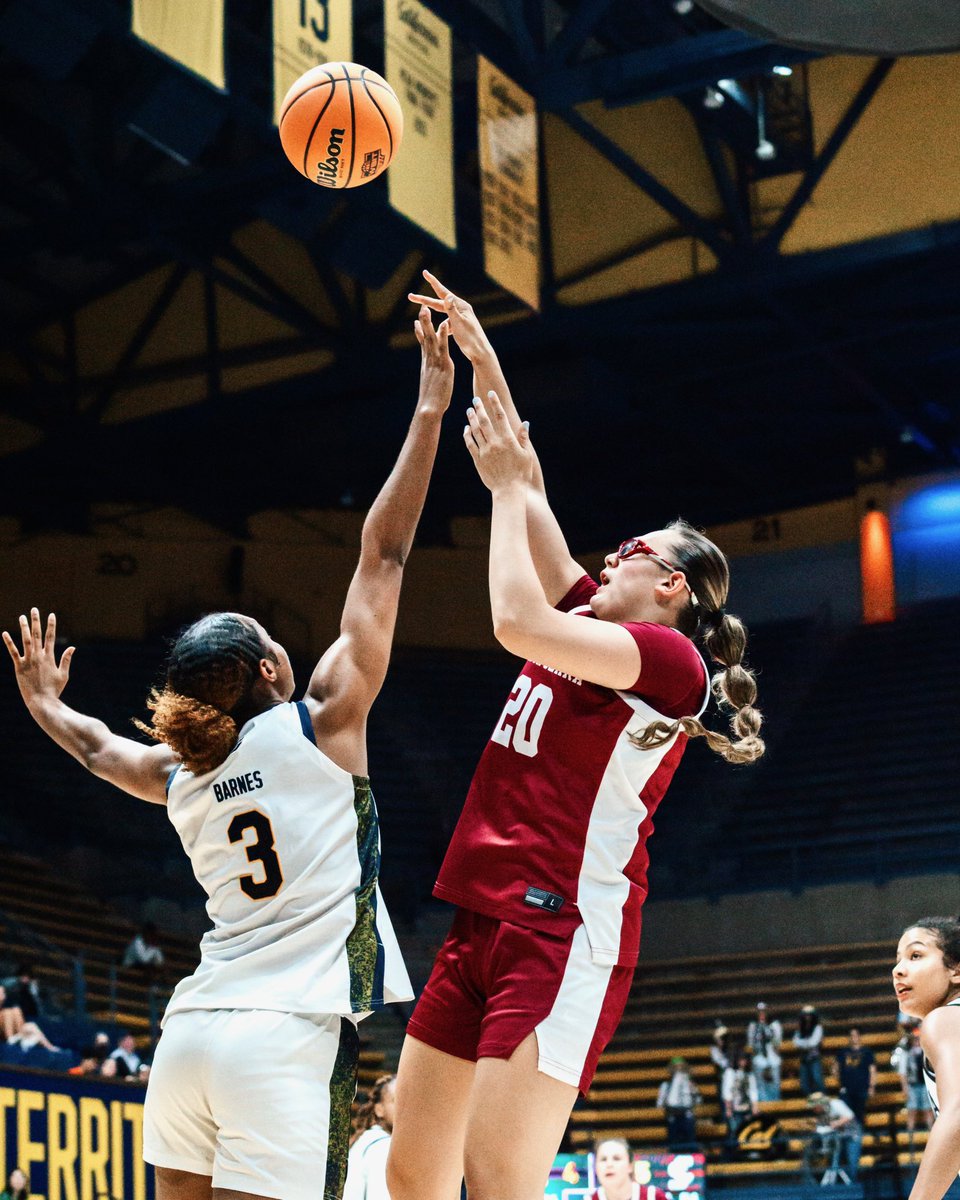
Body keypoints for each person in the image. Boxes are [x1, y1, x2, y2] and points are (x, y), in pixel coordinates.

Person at [2, 305, 455, 1200]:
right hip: (283, 1037)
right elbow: (386, 553)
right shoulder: (323, 720)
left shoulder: (184, 774)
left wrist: (46, 704)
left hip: (192, 1036)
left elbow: (97, 750)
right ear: (270, 666)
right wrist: (430, 409)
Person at [386, 272, 764, 1200]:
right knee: (411, 1177)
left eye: (631, 552)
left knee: (500, 1181)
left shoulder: (672, 666)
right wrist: (484, 353)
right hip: (481, 917)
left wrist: (508, 492)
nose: (606, 557)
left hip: (563, 928)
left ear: (671, 588)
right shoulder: (593, 626)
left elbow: (512, 616)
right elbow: (529, 473)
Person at [892, 917, 960, 1198]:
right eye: (897, 960)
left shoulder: (944, 1019)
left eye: (915, 955)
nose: (898, 970)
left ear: (956, 970)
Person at [343, 1074, 396, 1200]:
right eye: (397, 1101)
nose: (406, 1107)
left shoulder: (368, 1138)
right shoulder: (382, 1146)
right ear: (379, 1110)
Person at [806, 1091, 861, 1184]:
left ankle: (852, 1186)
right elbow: (824, 1126)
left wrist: (836, 1123)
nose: (813, 1109)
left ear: (819, 1104)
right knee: (834, 1161)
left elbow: (850, 1116)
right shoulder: (822, 1113)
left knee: (852, 1162)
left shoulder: (836, 1104)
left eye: (814, 1107)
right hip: (837, 1137)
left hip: (852, 1136)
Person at [587, 1138, 668, 1200]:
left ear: (630, 1166)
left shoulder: (653, 1196)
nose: (609, 1164)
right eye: (603, 1159)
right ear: (595, 1168)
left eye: (616, 1158)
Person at [656, 1057, 700, 1151]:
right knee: (674, 1143)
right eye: (676, 1068)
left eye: (681, 1068)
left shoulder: (690, 1084)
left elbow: (698, 1101)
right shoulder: (666, 1085)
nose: (678, 1070)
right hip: (673, 1116)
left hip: (687, 1116)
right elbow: (660, 1103)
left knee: (690, 1142)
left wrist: (693, 1091)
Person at [835, 1026, 875, 1124]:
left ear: (859, 1036)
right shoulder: (843, 1052)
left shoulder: (866, 1052)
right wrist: (840, 1080)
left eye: (855, 1035)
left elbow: (872, 1071)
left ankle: (859, 1135)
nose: (854, 1037)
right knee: (846, 1113)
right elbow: (835, 1068)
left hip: (861, 1087)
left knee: (859, 1113)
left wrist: (871, 1086)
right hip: (847, 1088)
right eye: (851, 1035)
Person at [722, 1050, 759, 1153]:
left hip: (746, 1108)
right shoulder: (730, 1073)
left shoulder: (749, 1074)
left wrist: (755, 1107)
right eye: (741, 1060)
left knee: (747, 1132)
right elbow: (727, 1092)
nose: (743, 1062)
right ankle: (730, 1155)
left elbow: (753, 1091)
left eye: (744, 1060)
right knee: (734, 1132)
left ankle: (745, 1153)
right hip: (735, 1108)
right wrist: (728, 1108)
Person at [746, 1002, 782, 1102]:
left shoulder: (774, 1025)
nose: (762, 1014)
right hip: (759, 1058)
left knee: (774, 1083)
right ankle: (763, 1104)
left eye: (764, 1011)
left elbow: (777, 1043)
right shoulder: (753, 1026)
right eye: (759, 1012)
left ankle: (775, 1103)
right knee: (760, 1085)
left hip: (773, 1059)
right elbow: (751, 1044)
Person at [793, 1004, 824, 1096]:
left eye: (809, 1015)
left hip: (814, 1059)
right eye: (806, 1015)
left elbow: (813, 1043)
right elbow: (795, 1042)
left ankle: (822, 1100)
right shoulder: (800, 1029)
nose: (807, 1017)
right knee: (804, 1084)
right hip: (804, 1059)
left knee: (817, 1081)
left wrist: (803, 1043)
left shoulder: (818, 1027)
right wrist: (806, 1043)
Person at [709, 1024, 732, 1116]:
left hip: (730, 1079)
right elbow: (719, 1063)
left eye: (722, 1038)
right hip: (721, 1080)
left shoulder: (731, 1050)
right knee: (723, 1102)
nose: (720, 1041)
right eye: (719, 1039)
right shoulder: (714, 1050)